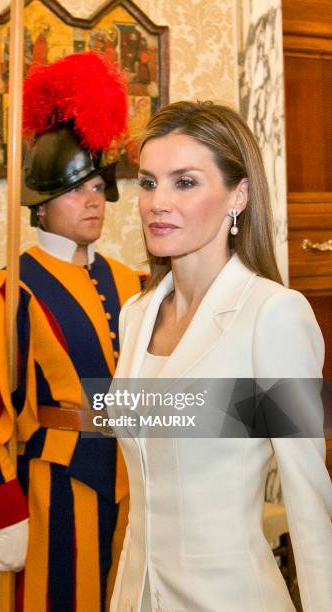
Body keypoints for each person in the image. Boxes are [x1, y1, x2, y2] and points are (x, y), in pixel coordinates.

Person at [0, 52, 144, 612]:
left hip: (138, 484)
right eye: (74, 189)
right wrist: (5, 514)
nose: (91, 199)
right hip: (55, 488)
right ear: (40, 206)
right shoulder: (8, 287)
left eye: (97, 186)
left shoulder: (130, 281)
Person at [109, 101, 332, 611]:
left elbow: (309, 504)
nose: (156, 202)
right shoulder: (136, 314)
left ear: (239, 194)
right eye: (147, 183)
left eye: (184, 182)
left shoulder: (273, 315)